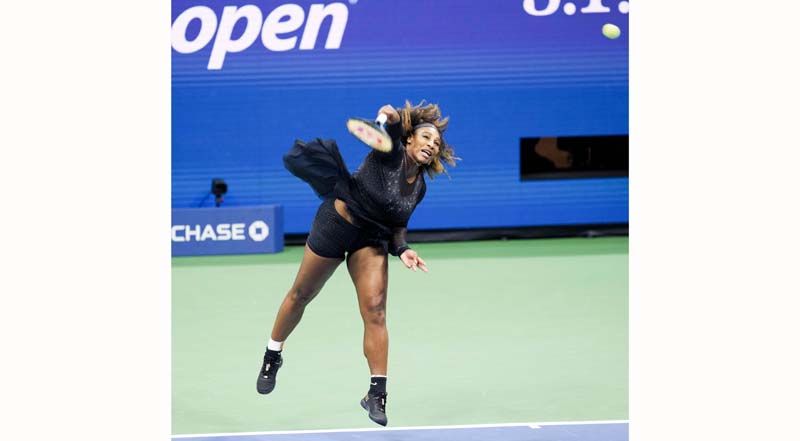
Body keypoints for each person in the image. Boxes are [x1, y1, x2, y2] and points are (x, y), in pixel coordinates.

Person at [257, 101, 457, 426]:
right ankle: (272, 354)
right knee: (302, 294)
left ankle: (376, 394)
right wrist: (390, 117)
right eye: (426, 138)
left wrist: (403, 248)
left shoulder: (418, 186)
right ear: (409, 140)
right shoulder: (390, 151)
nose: (432, 145)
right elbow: (392, 122)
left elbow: (397, 224)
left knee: (376, 310)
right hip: (338, 223)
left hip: (372, 238)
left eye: (436, 144)